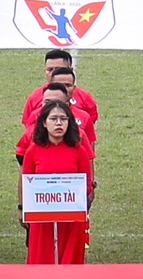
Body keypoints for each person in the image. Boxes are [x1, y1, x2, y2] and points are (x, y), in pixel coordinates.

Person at [20, 98, 96, 264]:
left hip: (72, 219)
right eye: (53, 119)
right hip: (42, 220)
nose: (59, 123)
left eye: (63, 119)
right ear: (44, 123)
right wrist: (23, 209)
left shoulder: (79, 150)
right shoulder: (33, 151)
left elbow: (87, 183)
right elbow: (26, 182)